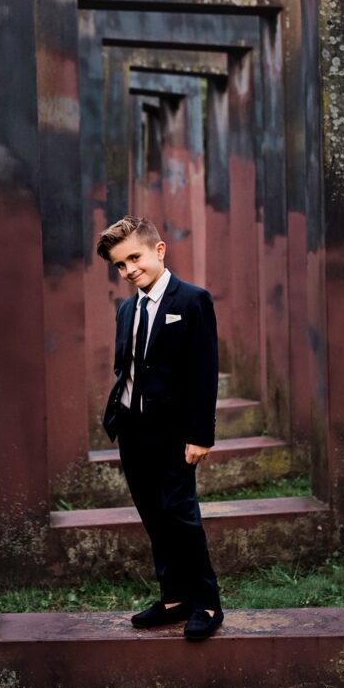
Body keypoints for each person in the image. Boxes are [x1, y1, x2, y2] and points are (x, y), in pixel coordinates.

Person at [96, 214, 224, 640]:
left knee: (180, 515)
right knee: (153, 515)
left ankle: (206, 601)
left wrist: (200, 434)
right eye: (120, 264)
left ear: (158, 250)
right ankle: (174, 598)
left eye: (135, 257)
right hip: (133, 430)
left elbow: (204, 371)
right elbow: (128, 367)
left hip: (173, 434)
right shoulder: (126, 310)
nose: (130, 269)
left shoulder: (192, 300)